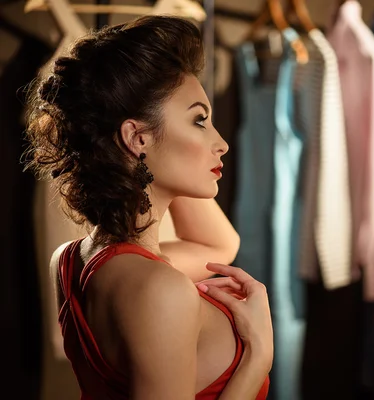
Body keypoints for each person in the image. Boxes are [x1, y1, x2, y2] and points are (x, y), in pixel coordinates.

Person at [23, 15, 272, 400]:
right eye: (200, 121)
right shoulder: (158, 288)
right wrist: (258, 356)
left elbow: (218, 246)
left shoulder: (72, 261)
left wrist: (161, 165)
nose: (221, 143)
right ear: (136, 137)